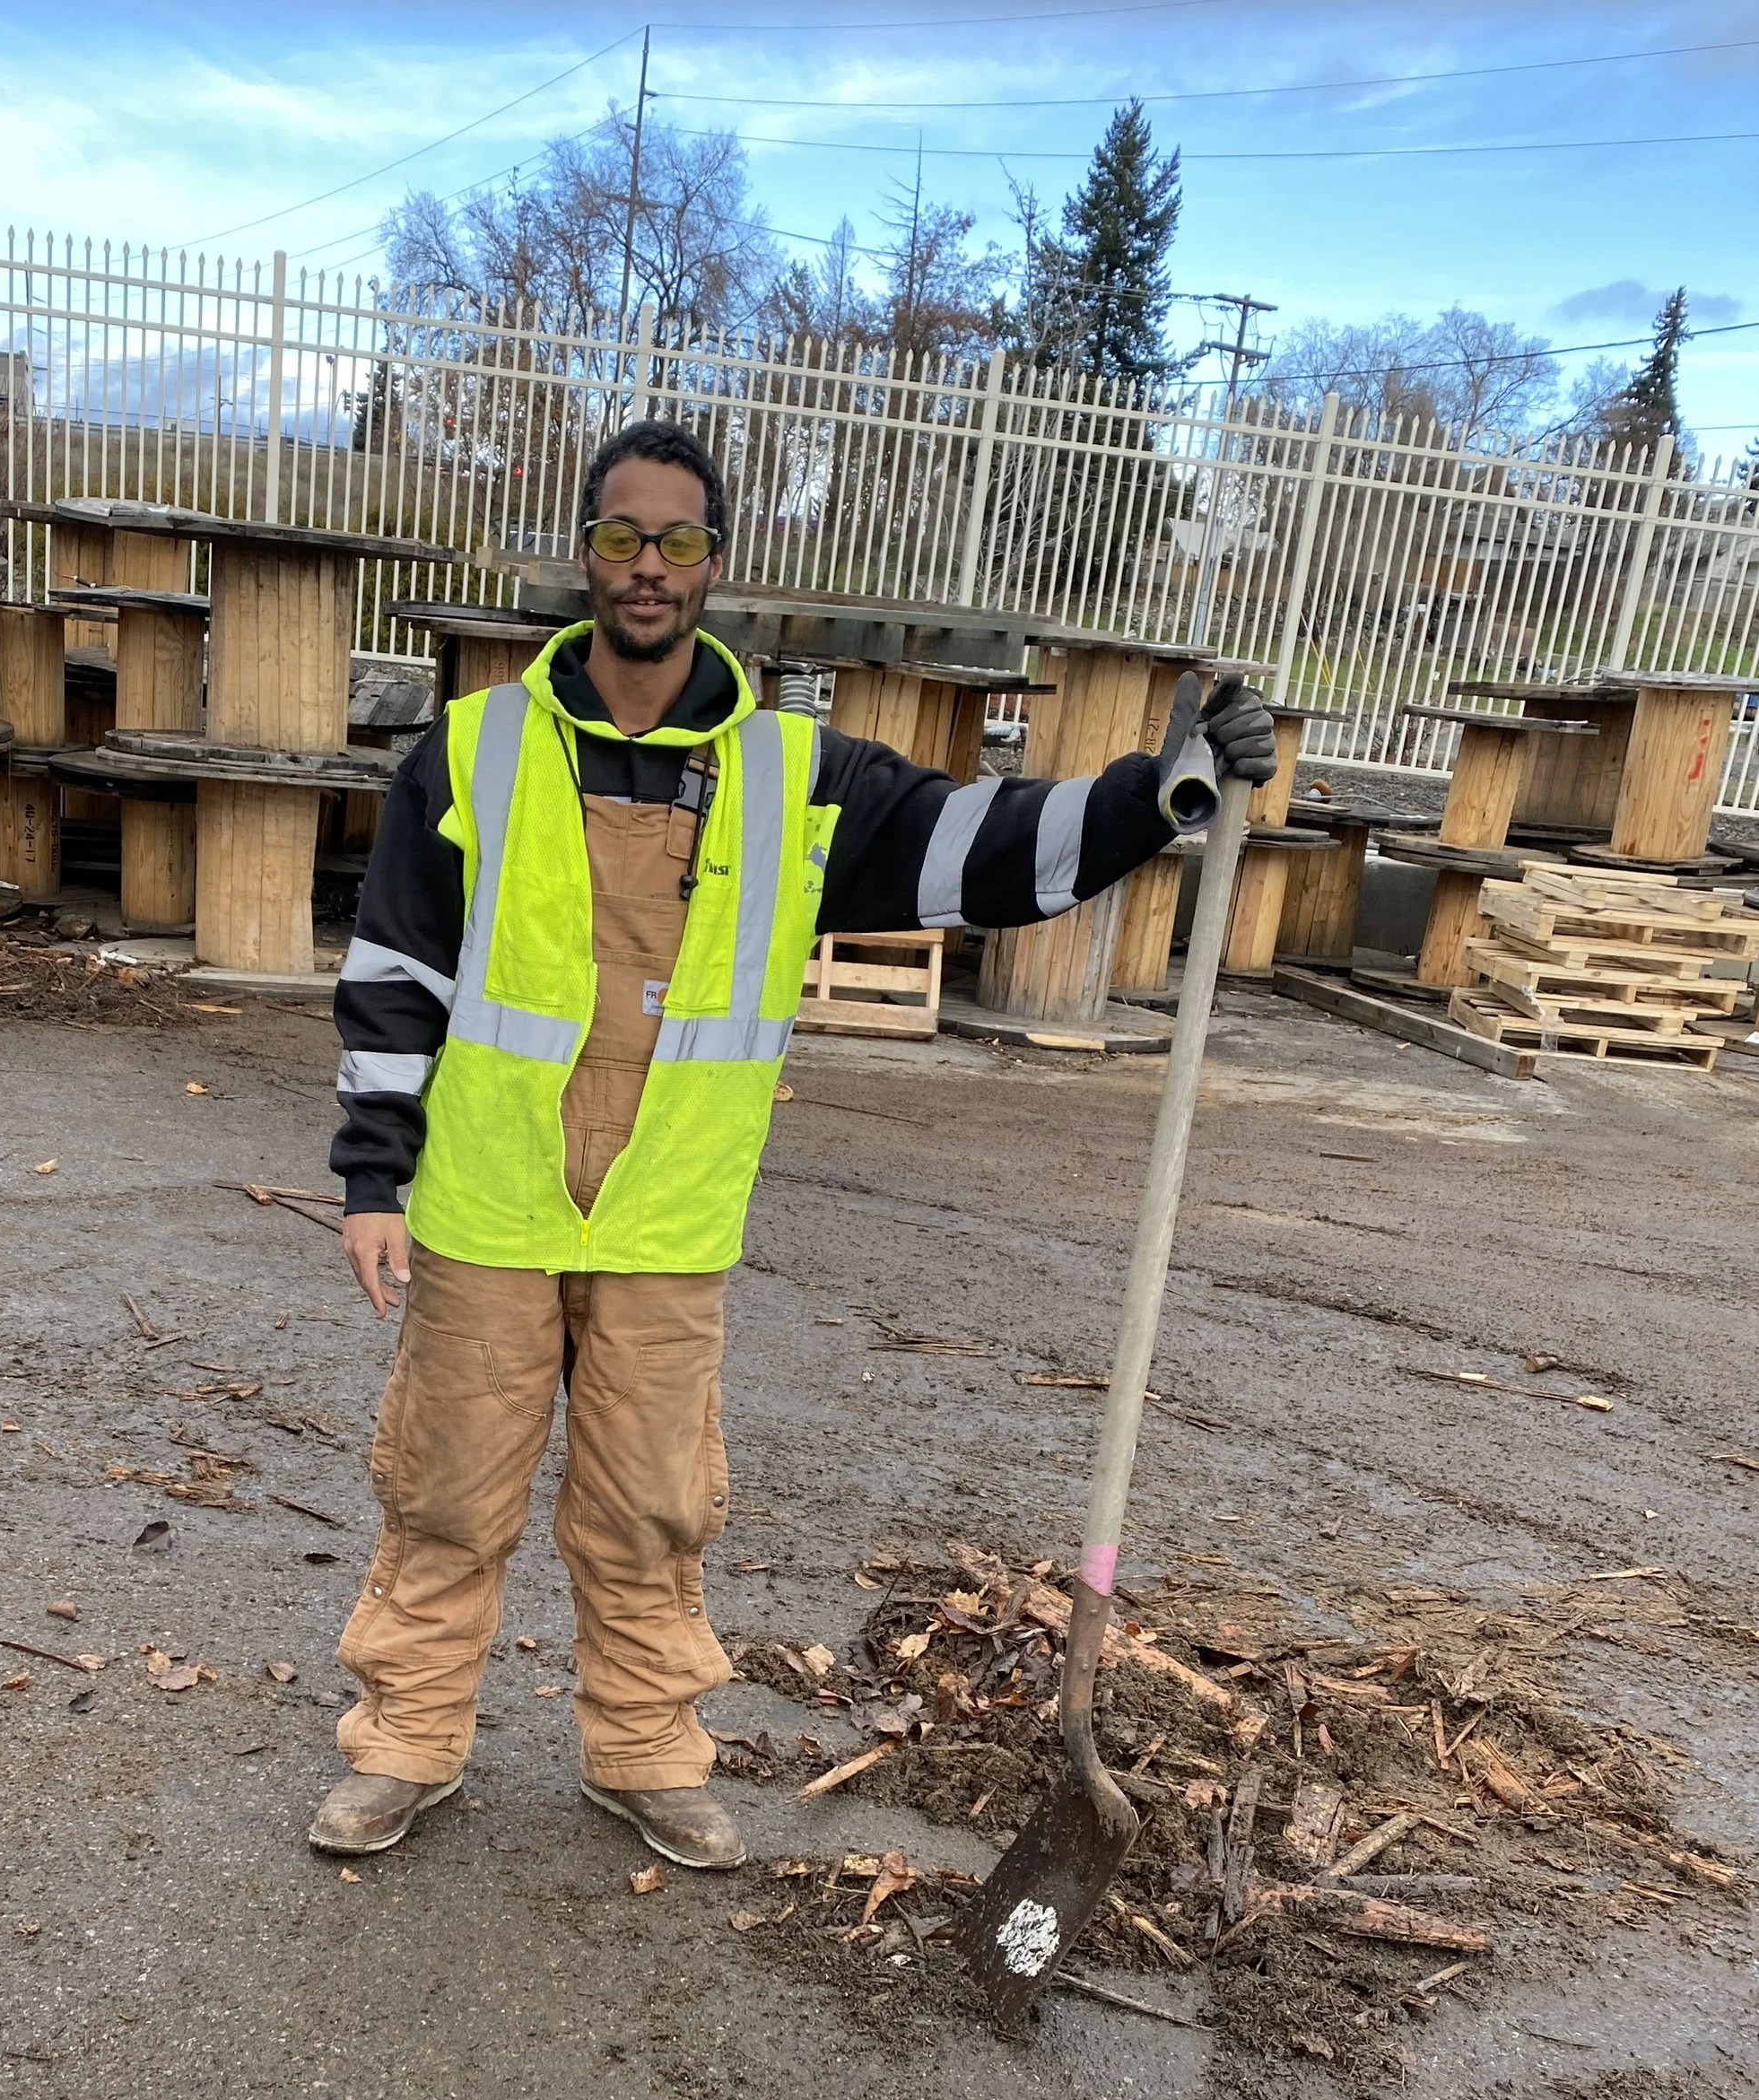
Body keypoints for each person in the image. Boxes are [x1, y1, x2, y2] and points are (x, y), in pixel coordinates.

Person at [310, 417, 1275, 1868]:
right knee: (445, 1492)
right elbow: (398, 970)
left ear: (716, 563)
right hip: (486, 1203)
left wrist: (1160, 791)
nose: (650, 567)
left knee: (650, 1509)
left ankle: (642, 1751)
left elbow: (981, 848)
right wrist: (372, 1177)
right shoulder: (473, 749)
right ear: (587, 551)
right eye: (625, 536)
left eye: (680, 541)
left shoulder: (795, 776)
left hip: (667, 1221)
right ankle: (405, 1746)